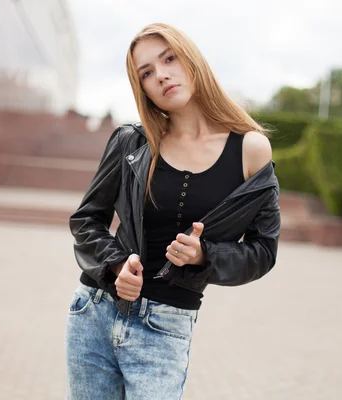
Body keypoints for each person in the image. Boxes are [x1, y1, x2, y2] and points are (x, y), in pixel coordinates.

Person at [66, 22, 281, 400]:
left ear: (191, 60)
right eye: (146, 72)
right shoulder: (132, 141)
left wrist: (204, 254)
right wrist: (117, 265)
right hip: (94, 313)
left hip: (165, 326)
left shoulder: (251, 149)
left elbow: (263, 250)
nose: (161, 75)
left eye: (169, 59)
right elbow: (87, 220)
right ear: (142, 88)